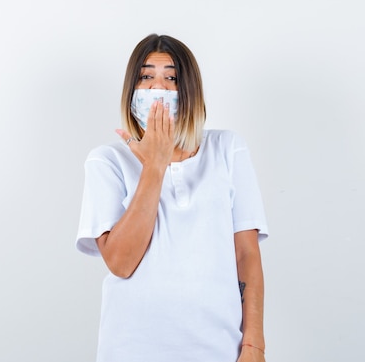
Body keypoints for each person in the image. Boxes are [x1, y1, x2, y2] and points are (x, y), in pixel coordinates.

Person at [76, 34, 269, 362]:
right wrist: (156, 165)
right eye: (146, 76)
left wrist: (253, 345)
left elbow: (245, 255)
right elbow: (121, 264)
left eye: (172, 78)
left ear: (190, 90)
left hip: (219, 349)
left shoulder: (227, 149)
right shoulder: (106, 161)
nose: (158, 89)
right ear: (131, 88)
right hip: (131, 349)